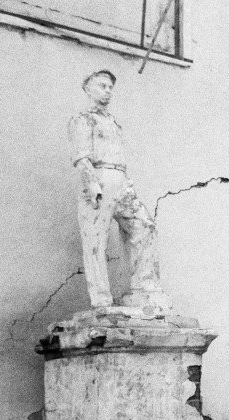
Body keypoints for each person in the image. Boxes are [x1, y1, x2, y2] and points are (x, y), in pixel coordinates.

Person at [68, 70, 171, 312]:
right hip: (98, 177)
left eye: (110, 87)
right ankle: (101, 299)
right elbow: (82, 157)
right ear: (88, 88)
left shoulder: (112, 121)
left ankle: (141, 288)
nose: (108, 91)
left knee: (143, 226)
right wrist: (91, 184)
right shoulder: (83, 119)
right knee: (96, 240)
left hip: (121, 179)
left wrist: (125, 181)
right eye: (102, 86)